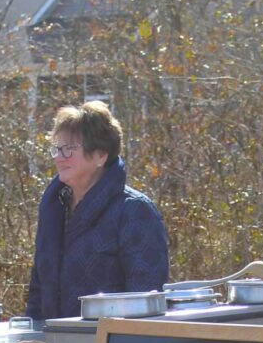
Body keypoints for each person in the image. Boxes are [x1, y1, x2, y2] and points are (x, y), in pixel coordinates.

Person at [25, 101, 169, 321]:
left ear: (101, 155)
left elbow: (145, 301)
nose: (58, 157)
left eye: (70, 149)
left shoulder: (134, 211)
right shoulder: (54, 210)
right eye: (57, 148)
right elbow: (38, 292)